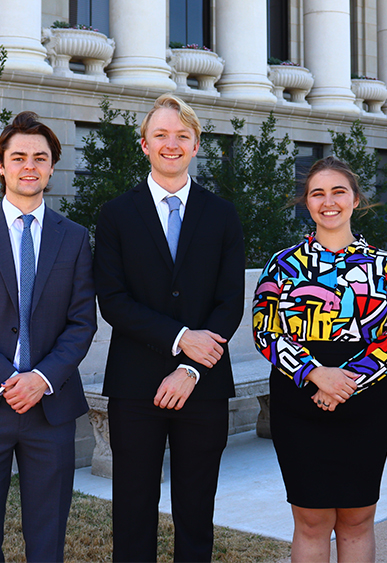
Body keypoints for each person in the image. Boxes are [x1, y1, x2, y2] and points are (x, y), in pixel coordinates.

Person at [93, 93, 245, 562]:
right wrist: (181, 340)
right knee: (134, 510)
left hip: (204, 385)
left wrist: (192, 369)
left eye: (182, 135)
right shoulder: (116, 214)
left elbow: (229, 304)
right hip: (135, 386)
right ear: (144, 145)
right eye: (161, 135)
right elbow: (114, 301)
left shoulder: (222, 215)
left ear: (197, 145)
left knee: (196, 511)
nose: (171, 144)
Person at [0, 111, 97, 562]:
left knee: (48, 539)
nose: (30, 166)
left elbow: (82, 322)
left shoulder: (74, 238)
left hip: (50, 408)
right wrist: (8, 380)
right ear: (1, 164)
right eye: (19, 156)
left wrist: (41, 379)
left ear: (52, 167)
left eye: (40, 158)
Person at [252, 156, 387, 563]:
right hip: (298, 399)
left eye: (338, 191)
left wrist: (347, 381)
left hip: (365, 402)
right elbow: (265, 330)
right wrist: (315, 374)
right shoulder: (283, 265)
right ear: (306, 204)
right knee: (310, 519)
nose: (329, 201)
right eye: (317, 193)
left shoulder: (385, 267)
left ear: (355, 200)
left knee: (358, 518)